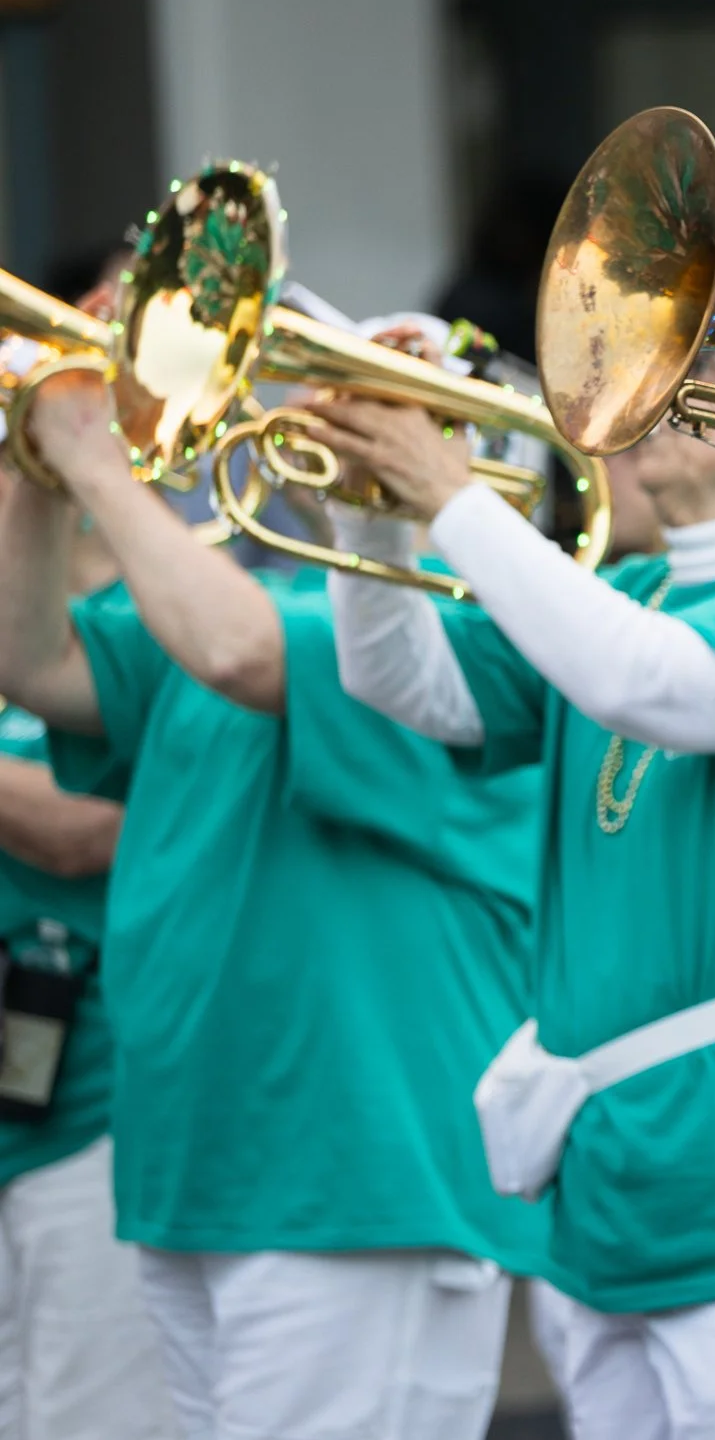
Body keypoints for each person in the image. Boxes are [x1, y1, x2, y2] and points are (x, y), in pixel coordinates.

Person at [307, 339, 715, 1440]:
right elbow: (398, 680)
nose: (668, 397)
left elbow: (651, 684)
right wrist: (372, 506)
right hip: (614, 1185)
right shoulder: (620, 588)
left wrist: (452, 494)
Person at [0, 365, 543, 1440]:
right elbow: (30, 657)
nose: (333, 409)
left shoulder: (469, 633)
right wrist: (38, 469)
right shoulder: (251, 597)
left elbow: (238, 651)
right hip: (199, 1167)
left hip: (358, 1179)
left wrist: (94, 456)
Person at [0, 474, 173, 1439]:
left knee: (88, 1417)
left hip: (101, 1102)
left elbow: (89, 831)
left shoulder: (154, 620)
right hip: (20, 1090)